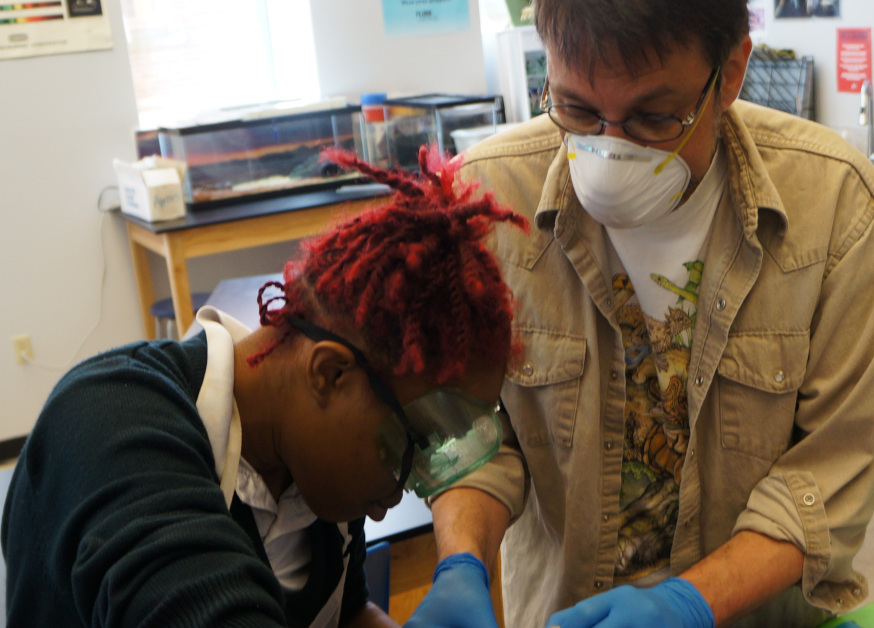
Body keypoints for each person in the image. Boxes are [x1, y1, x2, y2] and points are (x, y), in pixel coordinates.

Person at [404, 1, 874, 627]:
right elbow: (478, 439)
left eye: (654, 117)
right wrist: (462, 562)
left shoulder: (839, 210)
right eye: (578, 109)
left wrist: (691, 603)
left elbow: (836, 469)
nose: (610, 151)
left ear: (728, 74)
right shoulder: (486, 204)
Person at [1, 146, 528, 628]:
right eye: (407, 446)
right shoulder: (111, 427)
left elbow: (344, 616)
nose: (408, 486)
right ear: (329, 373)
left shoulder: (313, 471)